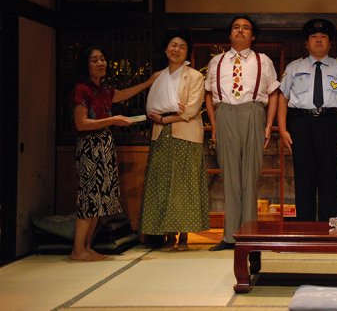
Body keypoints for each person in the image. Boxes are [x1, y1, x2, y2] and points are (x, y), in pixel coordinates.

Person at [70, 46, 158, 261]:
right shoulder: (82, 89)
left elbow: (122, 94)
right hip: (90, 146)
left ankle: (86, 247)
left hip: (104, 145)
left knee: (100, 199)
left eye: (102, 59)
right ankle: (78, 249)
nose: (101, 63)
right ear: (86, 65)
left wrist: (148, 83)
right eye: (94, 60)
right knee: (89, 198)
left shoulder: (103, 89)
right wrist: (112, 120)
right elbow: (81, 123)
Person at [204, 15, 280, 250]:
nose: (240, 31)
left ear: (253, 36)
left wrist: (268, 125)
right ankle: (229, 236)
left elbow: (273, 93)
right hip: (225, 113)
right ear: (230, 34)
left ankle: (249, 234)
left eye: (245, 28)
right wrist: (214, 125)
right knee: (229, 175)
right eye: (236, 27)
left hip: (253, 112)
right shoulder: (217, 61)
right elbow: (208, 95)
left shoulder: (263, 60)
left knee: (250, 175)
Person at [278, 18, 337, 221]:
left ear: (330, 43)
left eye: (323, 36)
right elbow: (282, 98)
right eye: (314, 36)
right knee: (303, 178)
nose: (318, 40)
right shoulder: (294, 67)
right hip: (301, 124)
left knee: (330, 178)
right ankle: (304, 229)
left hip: (332, 124)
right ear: (307, 43)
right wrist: (283, 129)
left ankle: (328, 229)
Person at [140, 30, 209, 251]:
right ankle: (168, 236)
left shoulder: (195, 76)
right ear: (165, 49)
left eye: (182, 46)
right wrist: (165, 115)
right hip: (161, 135)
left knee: (184, 184)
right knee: (162, 185)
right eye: (173, 45)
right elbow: (151, 106)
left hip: (186, 135)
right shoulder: (158, 76)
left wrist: (165, 117)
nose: (176, 49)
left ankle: (184, 237)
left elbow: (191, 109)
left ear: (188, 52)